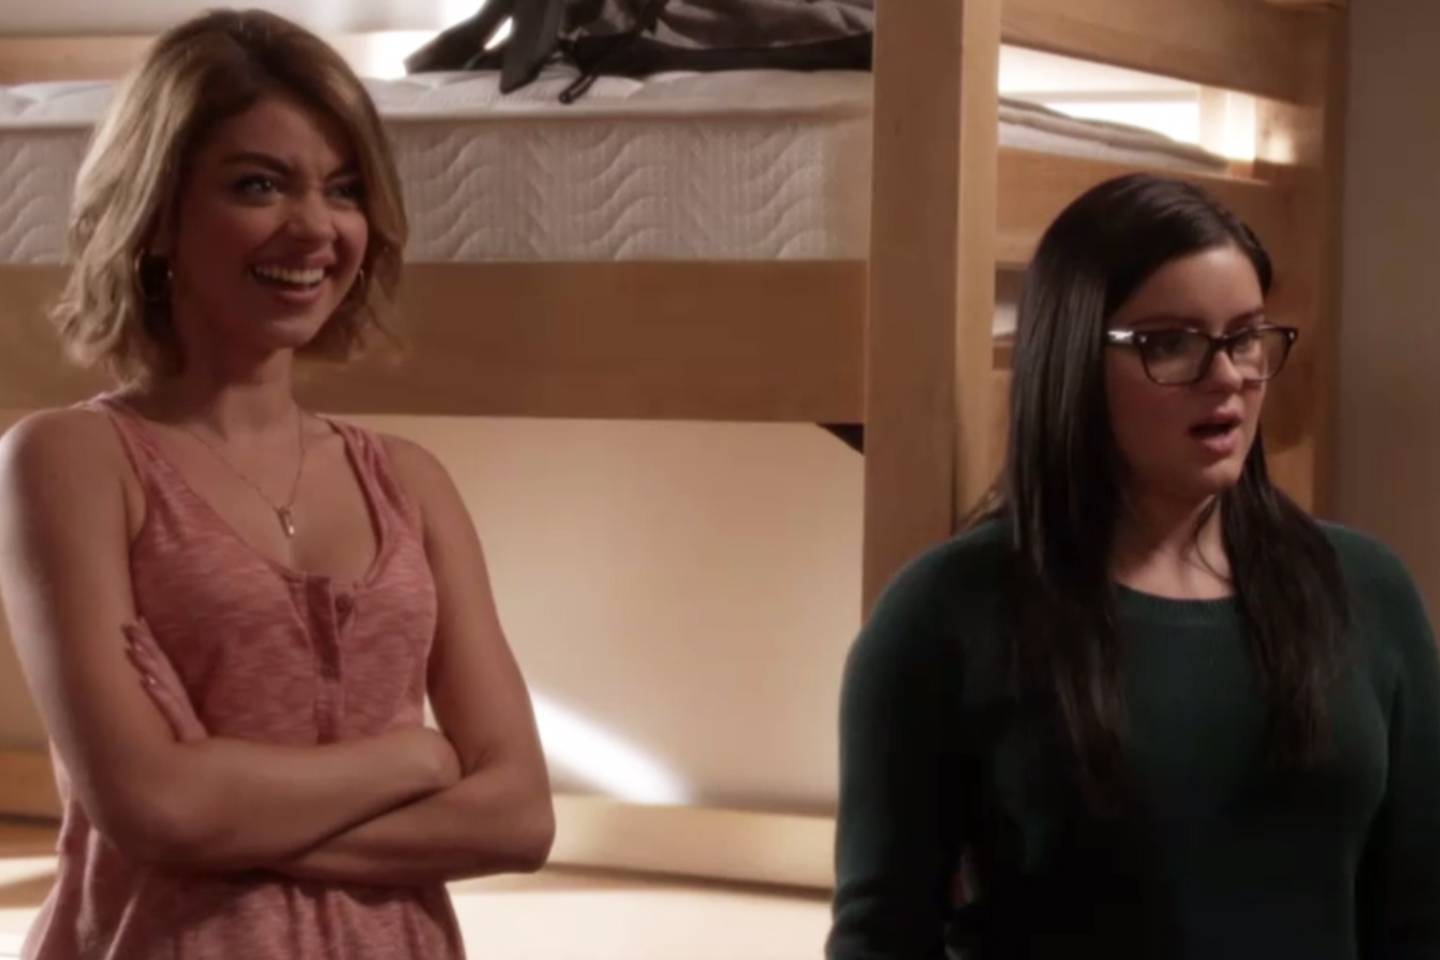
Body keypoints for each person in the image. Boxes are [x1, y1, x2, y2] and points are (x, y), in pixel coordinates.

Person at [0, 10, 553, 958]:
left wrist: (223, 812)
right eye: (258, 184)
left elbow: (517, 818)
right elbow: (153, 808)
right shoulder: (69, 462)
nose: (315, 227)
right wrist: (414, 758)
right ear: (158, 211)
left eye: (343, 190)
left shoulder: (409, 483)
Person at [827, 173, 1440, 958]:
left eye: (1245, 337)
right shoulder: (946, 613)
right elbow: (882, 936)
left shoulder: (1366, 590)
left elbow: (1419, 913)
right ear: (1074, 359)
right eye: (1171, 343)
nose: (1227, 376)